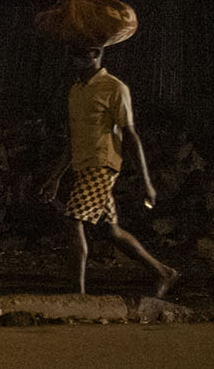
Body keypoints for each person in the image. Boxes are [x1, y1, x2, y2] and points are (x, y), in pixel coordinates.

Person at [42, 45, 178, 297]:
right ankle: (163, 272)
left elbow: (131, 135)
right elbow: (73, 140)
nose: (73, 59)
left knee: (73, 220)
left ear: (96, 54)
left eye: (79, 54)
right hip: (84, 165)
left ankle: (78, 294)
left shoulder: (115, 88)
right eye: (72, 54)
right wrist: (55, 177)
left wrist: (146, 181)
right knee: (110, 230)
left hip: (102, 165)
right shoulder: (76, 90)